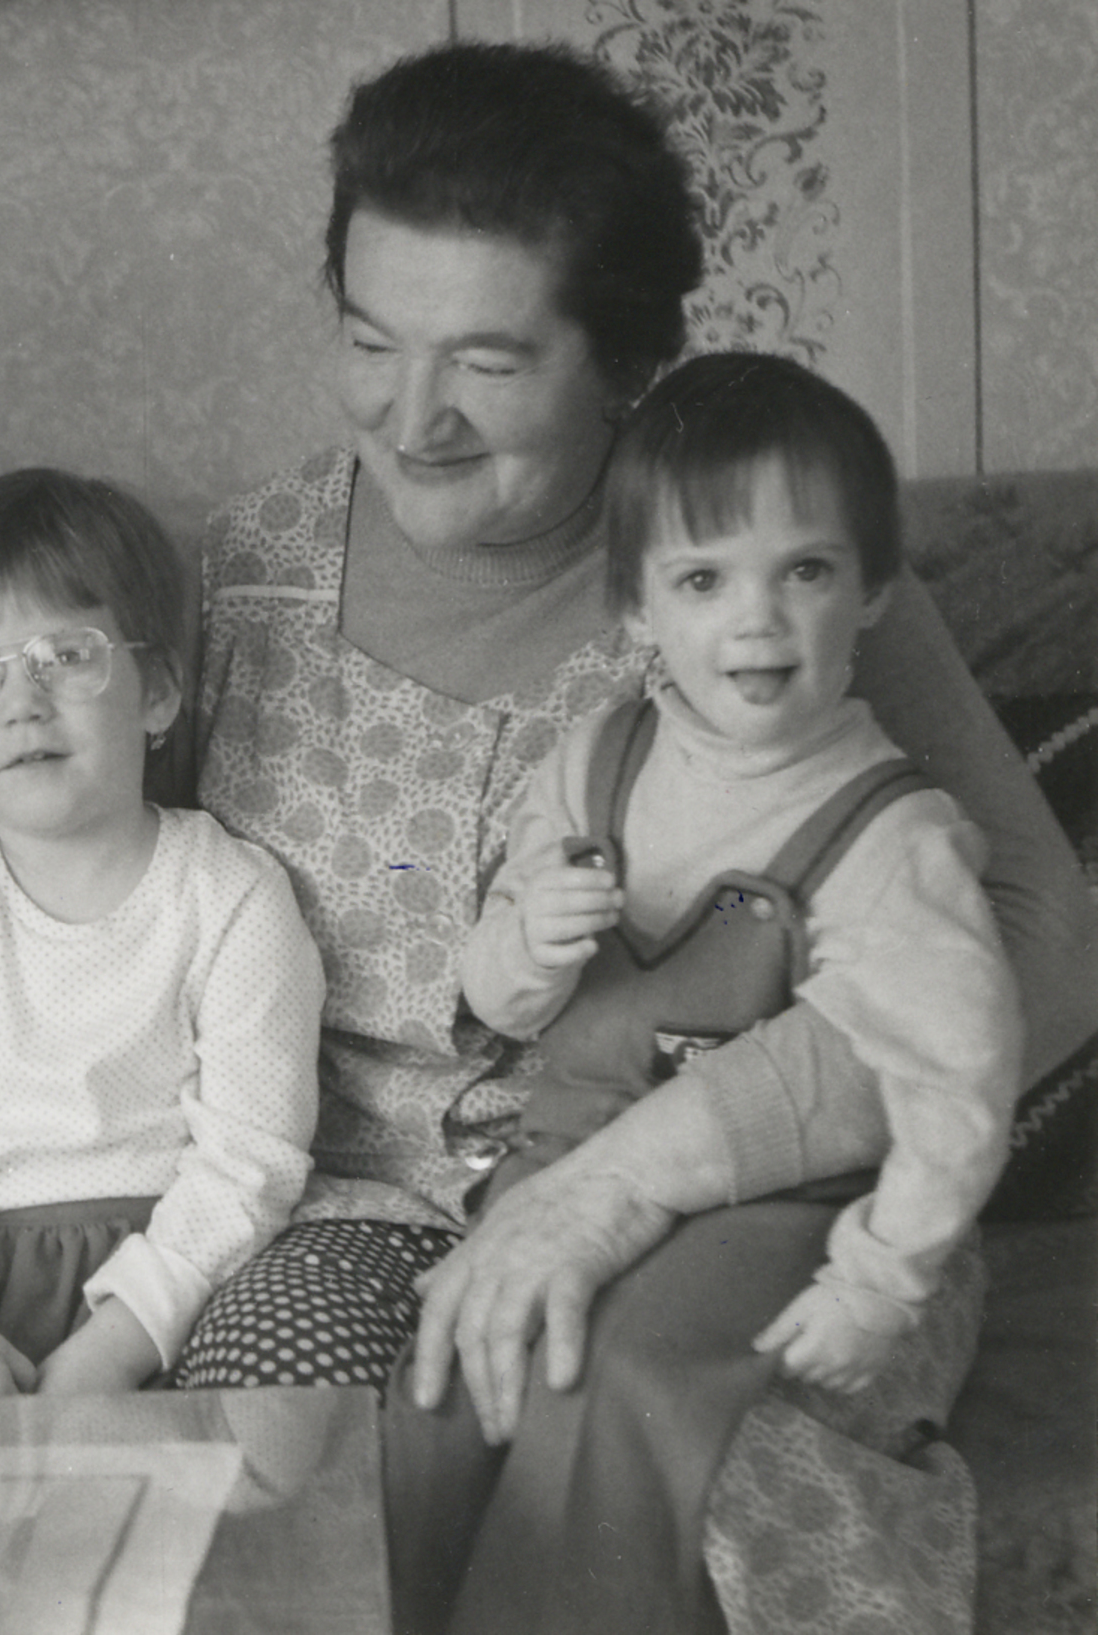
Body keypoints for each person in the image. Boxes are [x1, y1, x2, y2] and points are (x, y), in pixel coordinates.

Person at [166, 40, 1098, 1635]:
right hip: (342, 1211)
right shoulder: (245, 569)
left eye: (488, 362)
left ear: (627, 365)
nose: (413, 416)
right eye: (371, 341)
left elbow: (1041, 955)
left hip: (723, 1207)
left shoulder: (758, 583)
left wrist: (632, 1177)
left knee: (643, 1430)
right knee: (294, 1480)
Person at [390, 351, 1024, 1629]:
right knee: (444, 1393)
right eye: (702, 580)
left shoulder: (893, 836)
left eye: (806, 570)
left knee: (618, 1383)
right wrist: (533, 944)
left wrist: (878, 1283)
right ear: (636, 609)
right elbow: (499, 1003)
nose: (758, 621)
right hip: (565, 1157)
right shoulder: (594, 763)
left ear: (873, 587)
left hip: (782, 1211)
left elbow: (959, 1091)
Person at [0, 469, 322, 1398]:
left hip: (168, 1284)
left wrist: (120, 1343)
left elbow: (251, 1155)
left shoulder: (230, 892)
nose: (21, 701)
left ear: (158, 692)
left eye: (67, 655)